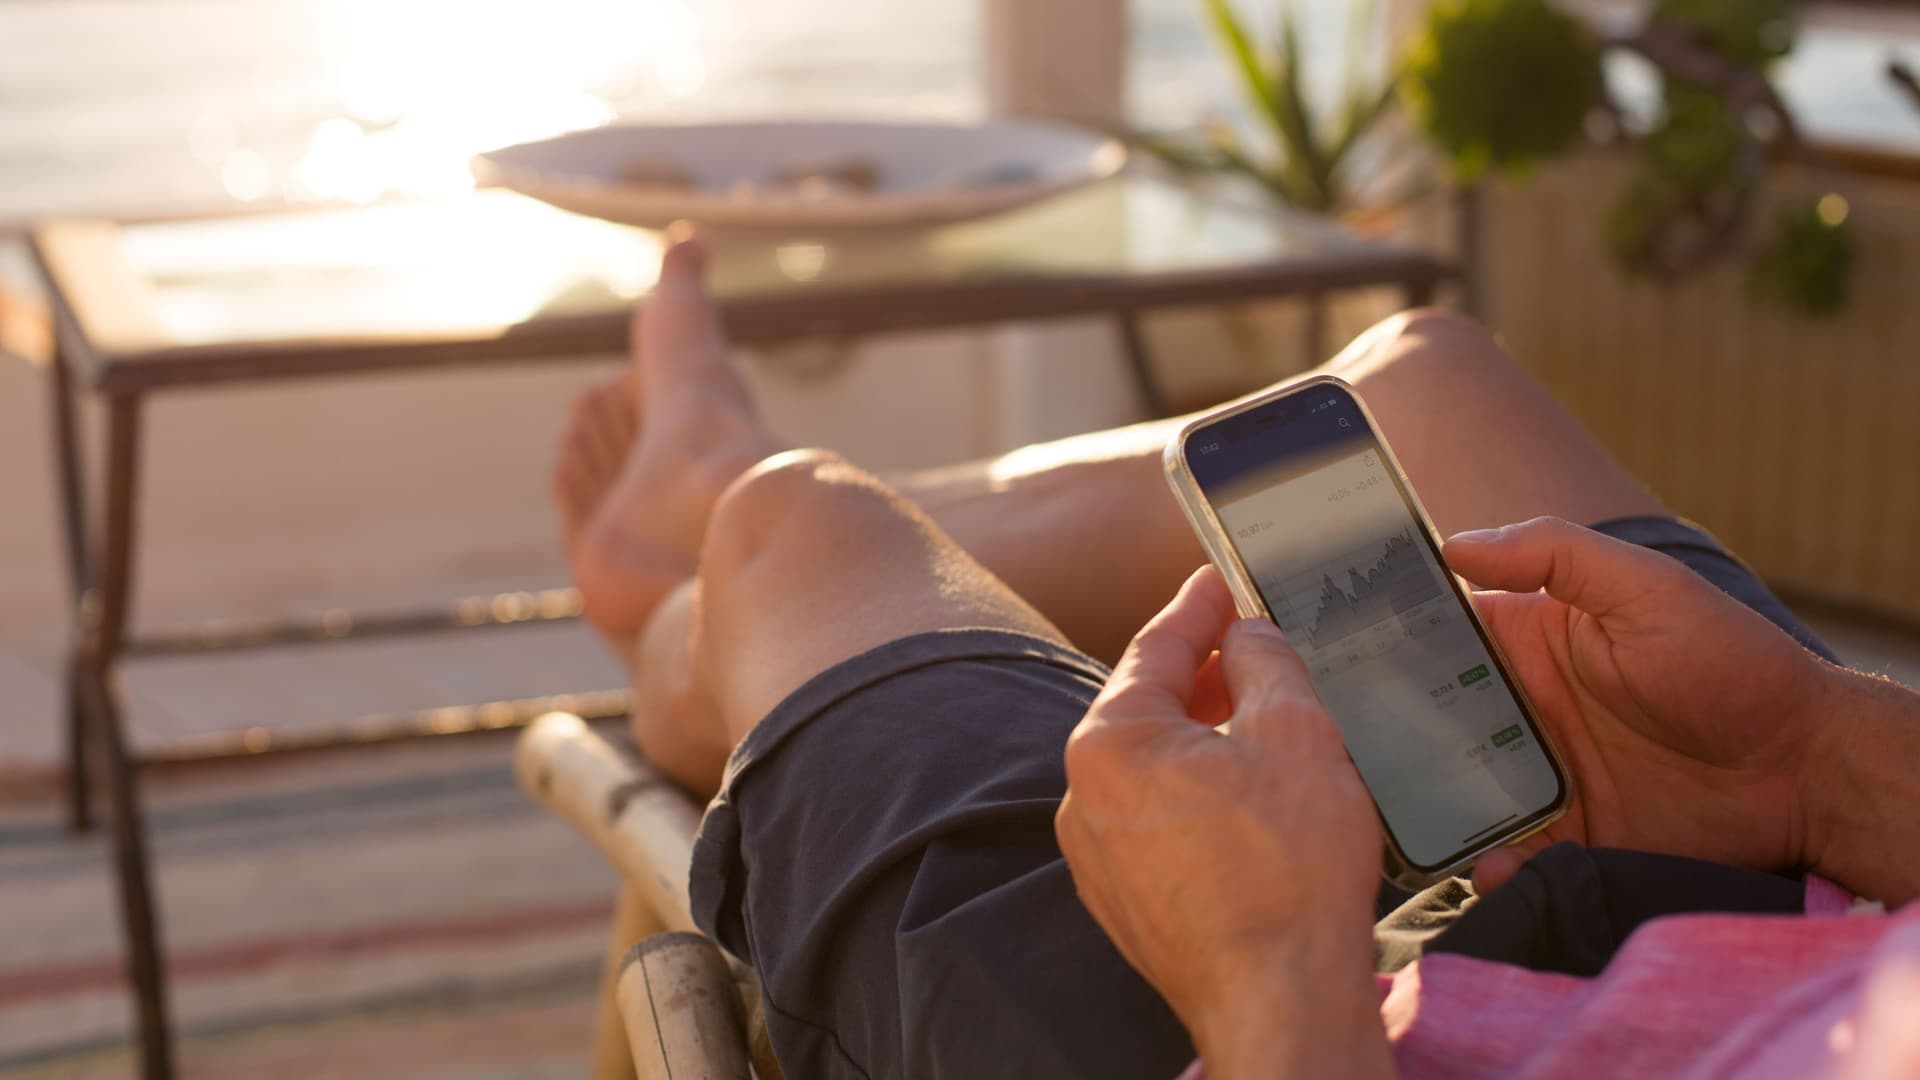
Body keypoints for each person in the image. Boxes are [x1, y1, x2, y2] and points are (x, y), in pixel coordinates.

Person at [551, 232, 1920, 1078]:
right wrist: (1825, 766)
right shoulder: (1816, 777)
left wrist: (1269, 981)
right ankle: (734, 519)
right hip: (1809, 918)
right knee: (1427, 382)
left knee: (798, 530)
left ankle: (694, 573)